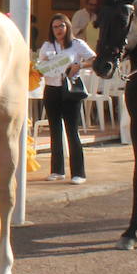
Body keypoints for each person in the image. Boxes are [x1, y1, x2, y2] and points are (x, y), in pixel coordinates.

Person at [36, 13, 95, 184]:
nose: (58, 30)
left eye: (61, 26)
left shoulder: (77, 44)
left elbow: (94, 59)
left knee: (71, 130)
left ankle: (78, 172)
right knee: (54, 129)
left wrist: (80, 65)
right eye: (55, 27)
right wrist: (43, 65)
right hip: (52, 89)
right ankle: (57, 170)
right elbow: (41, 67)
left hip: (70, 89)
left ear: (67, 27)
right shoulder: (48, 45)